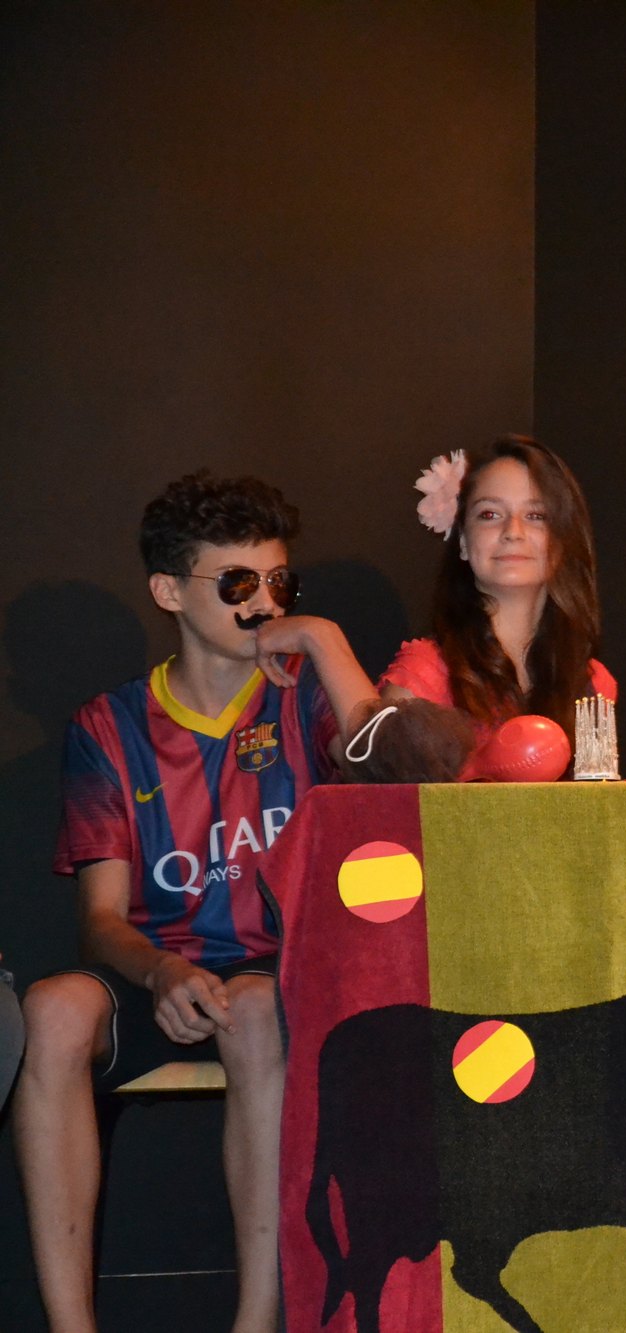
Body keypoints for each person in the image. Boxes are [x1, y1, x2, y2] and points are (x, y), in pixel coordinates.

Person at [17, 470, 372, 1333]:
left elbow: (401, 772)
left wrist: (323, 640)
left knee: (250, 1008)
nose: (264, 604)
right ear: (170, 591)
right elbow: (101, 920)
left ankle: (257, 1321)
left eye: (279, 581)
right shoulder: (108, 727)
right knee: (51, 1010)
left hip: (277, 975)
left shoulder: (309, 696)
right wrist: (162, 972)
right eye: (238, 581)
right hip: (161, 973)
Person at [379, 435, 615, 743]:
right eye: (490, 515)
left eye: (536, 516)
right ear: (464, 541)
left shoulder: (593, 684)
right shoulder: (423, 676)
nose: (513, 532)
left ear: (563, 540)